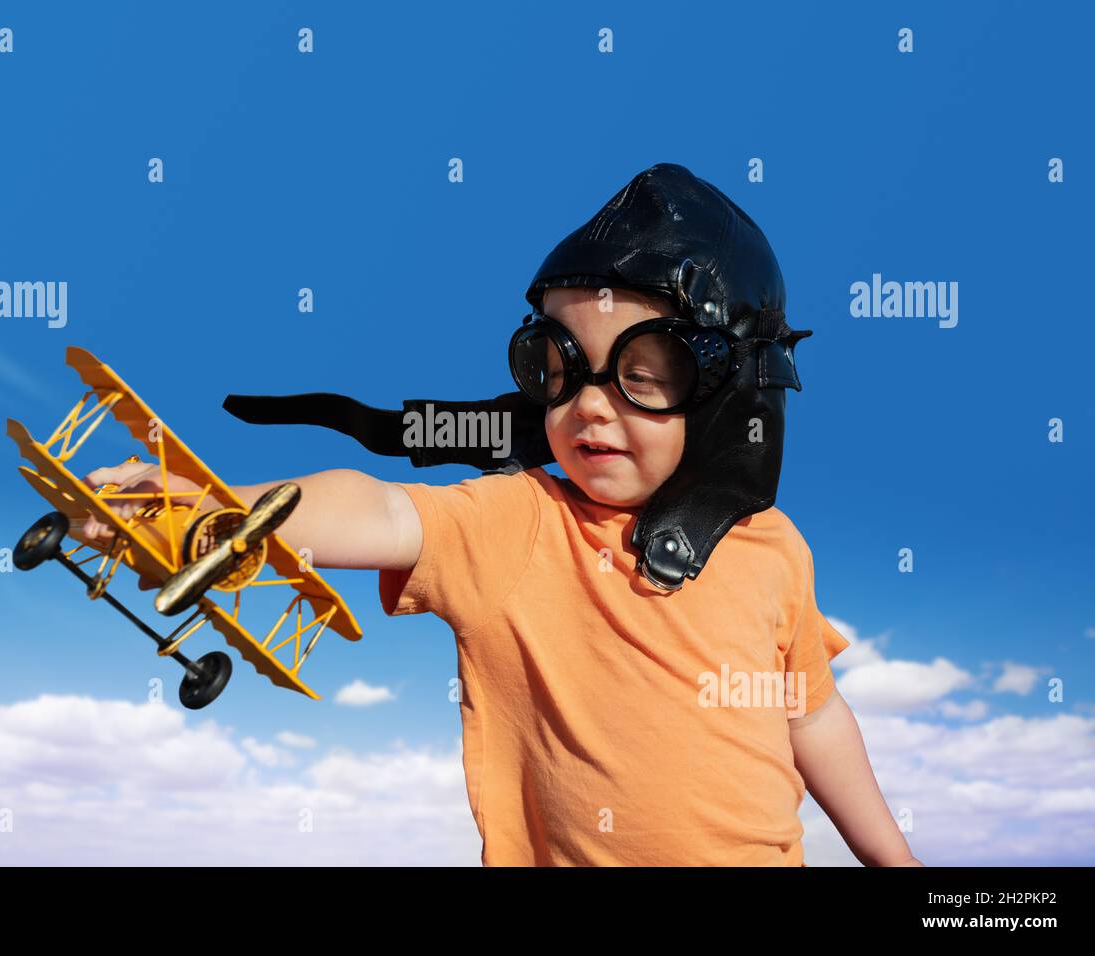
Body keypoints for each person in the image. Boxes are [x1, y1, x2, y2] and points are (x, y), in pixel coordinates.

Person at [79, 163, 923, 867]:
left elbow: (811, 715)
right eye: (559, 365)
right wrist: (201, 506)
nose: (590, 405)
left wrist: (897, 860)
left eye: (647, 368)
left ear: (731, 389)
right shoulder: (521, 522)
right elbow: (377, 508)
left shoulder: (775, 551)